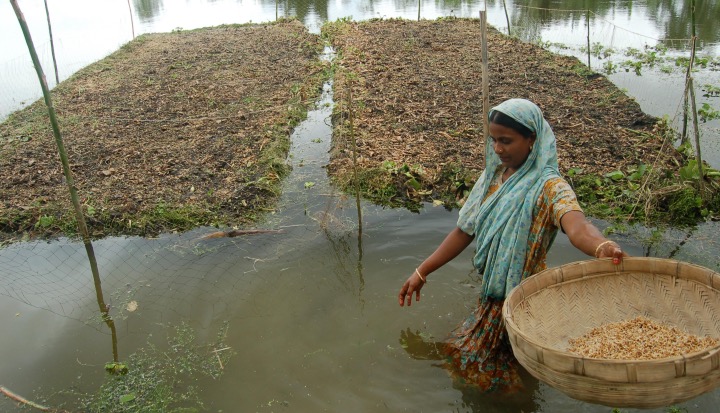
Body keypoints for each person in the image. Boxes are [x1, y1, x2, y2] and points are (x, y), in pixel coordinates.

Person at [397, 98, 627, 393]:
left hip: (523, 302)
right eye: (493, 140)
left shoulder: (549, 186)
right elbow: (465, 230)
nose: (497, 149)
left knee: (503, 383)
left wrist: (602, 246)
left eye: (506, 141)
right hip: (491, 298)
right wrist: (421, 271)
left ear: (532, 138)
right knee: (479, 366)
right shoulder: (492, 177)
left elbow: (577, 226)